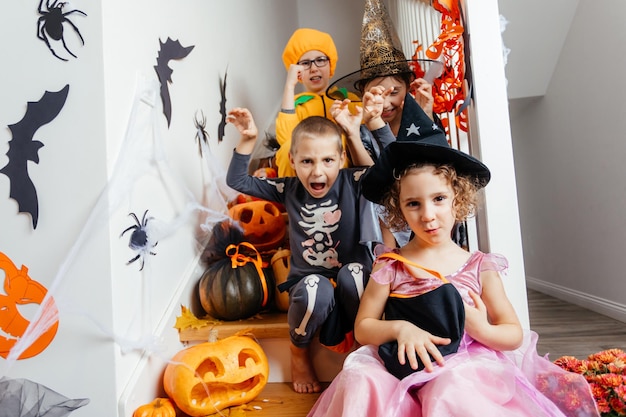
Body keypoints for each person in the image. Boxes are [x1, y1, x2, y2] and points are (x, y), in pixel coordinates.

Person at [306, 138, 600, 416]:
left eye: (438, 199)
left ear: (457, 201)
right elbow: (363, 328)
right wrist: (400, 329)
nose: (428, 214)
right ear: (399, 210)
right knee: (360, 376)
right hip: (400, 361)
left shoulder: (478, 266)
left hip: (464, 364)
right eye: (413, 204)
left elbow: (513, 334)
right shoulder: (390, 265)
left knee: (452, 389)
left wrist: (480, 328)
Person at [225, 107, 379, 394]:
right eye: (307, 161)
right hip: (309, 281)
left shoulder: (351, 181)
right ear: (292, 161)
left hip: (351, 279)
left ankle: (363, 348)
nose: (317, 171)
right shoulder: (288, 189)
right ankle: (299, 352)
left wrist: (352, 134)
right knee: (313, 289)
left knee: (355, 274)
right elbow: (238, 182)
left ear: (342, 160)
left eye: (328, 160)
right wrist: (248, 139)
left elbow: (375, 177)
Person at [274, 28, 361, 177]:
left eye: (320, 60)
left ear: (330, 64)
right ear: (297, 71)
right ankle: (291, 195)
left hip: (341, 169)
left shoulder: (347, 98)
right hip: (307, 167)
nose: (314, 68)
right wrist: (289, 86)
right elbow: (285, 140)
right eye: (306, 63)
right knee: (288, 147)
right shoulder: (295, 103)